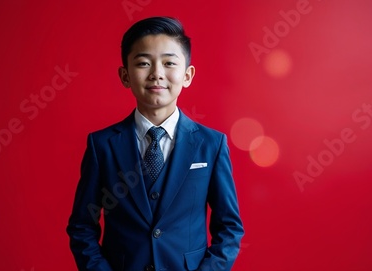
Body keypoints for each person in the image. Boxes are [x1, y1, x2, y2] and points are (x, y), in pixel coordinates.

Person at [66, 16, 244, 271]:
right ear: (125, 75)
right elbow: (82, 226)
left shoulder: (211, 144)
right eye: (143, 63)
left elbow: (229, 228)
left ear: (187, 75)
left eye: (169, 63)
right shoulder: (102, 145)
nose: (157, 74)